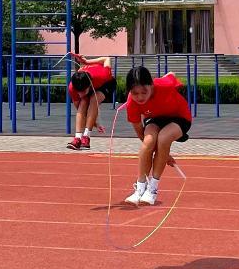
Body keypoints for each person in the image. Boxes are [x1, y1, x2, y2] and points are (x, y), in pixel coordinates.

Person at [124, 66, 192, 206]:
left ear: (151, 85)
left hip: (179, 117)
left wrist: (163, 149)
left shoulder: (164, 85)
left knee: (163, 138)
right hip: (155, 118)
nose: (140, 97)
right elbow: (139, 130)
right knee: (149, 141)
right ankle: (140, 188)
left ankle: (152, 189)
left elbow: (172, 74)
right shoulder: (131, 102)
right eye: (135, 93)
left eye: (144, 92)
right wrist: (162, 152)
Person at [67, 53, 116, 150]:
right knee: (83, 102)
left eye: (83, 91)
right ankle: (77, 138)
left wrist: (86, 62)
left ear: (89, 85)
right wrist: (95, 123)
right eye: (78, 92)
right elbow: (81, 112)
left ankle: (86, 136)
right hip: (90, 85)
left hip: (107, 84)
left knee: (94, 98)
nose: (80, 94)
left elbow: (106, 58)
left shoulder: (103, 74)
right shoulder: (72, 87)